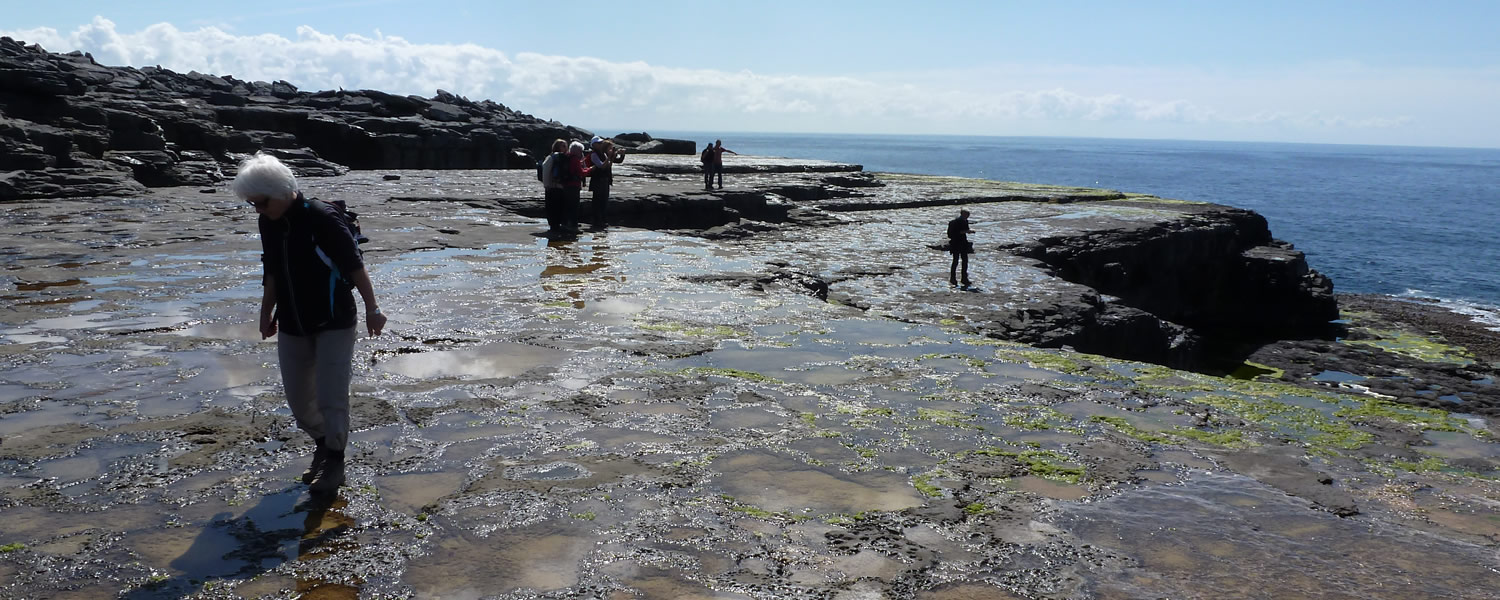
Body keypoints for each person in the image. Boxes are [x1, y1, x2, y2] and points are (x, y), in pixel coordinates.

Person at [232, 153, 387, 495]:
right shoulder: (268, 222)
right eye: (252, 204)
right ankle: (323, 444)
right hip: (292, 320)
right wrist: (265, 312)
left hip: (334, 319)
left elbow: (354, 265)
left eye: (261, 202)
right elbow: (271, 270)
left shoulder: (322, 217)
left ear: (283, 190)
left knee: (332, 395)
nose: (258, 209)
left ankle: (335, 461)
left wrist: (373, 308)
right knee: (299, 401)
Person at [586, 135, 625, 228]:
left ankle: (602, 220)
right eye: (599, 143)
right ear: (594, 145)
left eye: (601, 143)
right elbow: (602, 166)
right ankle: (597, 221)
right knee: (598, 201)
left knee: (604, 201)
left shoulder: (603, 153)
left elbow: (608, 166)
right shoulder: (594, 155)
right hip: (598, 181)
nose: (601, 144)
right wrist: (609, 157)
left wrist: (613, 156)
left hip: (605, 180)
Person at [560, 141, 594, 231]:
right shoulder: (575, 159)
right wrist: (590, 170)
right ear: (577, 151)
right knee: (574, 206)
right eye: (581, 151)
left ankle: (565, 223)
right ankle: (573, 225)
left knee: (567, 205)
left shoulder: (567, 157)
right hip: (573, 185)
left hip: (565, 184)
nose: (581, 153)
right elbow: (581, 173)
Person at [539, 139, 568, 233]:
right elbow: (546, 171)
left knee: (560, 207)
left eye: (566, 145)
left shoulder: (564, 157)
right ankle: (553, 225)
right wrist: (547, 185)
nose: (565, 147)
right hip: (552, 186)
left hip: (561, 187)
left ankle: (558, 224)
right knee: (552, 207)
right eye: (563, 145)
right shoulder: (551, 157)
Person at [948, 209, 974, 287]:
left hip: (963, 244)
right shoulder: (954, 222)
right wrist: (965, 231)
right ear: (962, 214)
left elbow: (964, 231)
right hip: (955, 243)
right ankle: (953, 278)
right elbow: (951, 234)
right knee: (955, 261)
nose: (967, 217)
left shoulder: (965, 221)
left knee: (965, 261)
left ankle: (964, 278)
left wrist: (967, 231)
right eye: (967, 215)